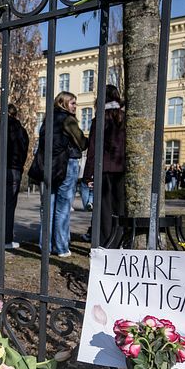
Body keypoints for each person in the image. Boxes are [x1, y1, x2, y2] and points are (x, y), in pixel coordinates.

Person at [38, 92, 86, 257]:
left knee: (48, 206)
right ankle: (61, 247)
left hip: (48, 166)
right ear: (63, 103)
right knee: (63, 207)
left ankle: (46, 245)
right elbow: (82, 142)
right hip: (67, 164)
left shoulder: (47, 120)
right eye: (72, 103)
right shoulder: (68, 120)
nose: (75, 106)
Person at [81, 84, 126, 247]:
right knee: (119, 208)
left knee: (104, 210)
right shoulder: (124, 117)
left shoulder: (99, 119)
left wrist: (87, 175)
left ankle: (106, 245)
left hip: (104, 170)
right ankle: (119, 242)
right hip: (122, 169)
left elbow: (92, 150)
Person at [0, 104, 30, 249]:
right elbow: (23, 149)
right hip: (12, 169)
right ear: (15, 114)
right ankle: (5, 240)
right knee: (8, 206)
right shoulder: (19, 130)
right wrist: (19, 164)